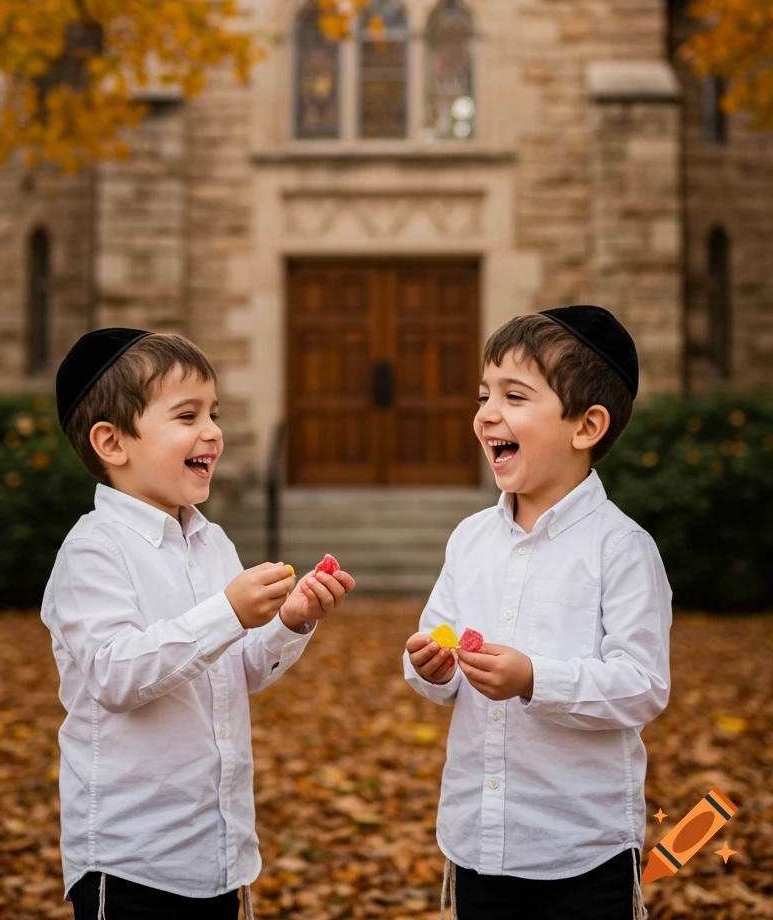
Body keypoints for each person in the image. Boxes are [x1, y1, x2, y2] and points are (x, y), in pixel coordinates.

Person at [42, 327, 355, 920]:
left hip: (217, 849)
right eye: (186, 415)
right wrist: (227, 612)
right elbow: (115, 676)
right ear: (112, 442)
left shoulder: (211, 542)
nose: (212, 431)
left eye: (214, 413)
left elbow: (238, 671)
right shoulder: (93, 550)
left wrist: (289, 623)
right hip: (132, 859)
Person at [404, 306, 672, 920]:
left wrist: (535, 680)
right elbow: (433, 643)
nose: (487, 413)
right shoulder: (470, 538)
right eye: (483, 395)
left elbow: (643, 686)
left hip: (580, 850)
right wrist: (430, 667)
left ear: (586, 426)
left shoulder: (622, 549)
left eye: (514, 396)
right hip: (479, 838)